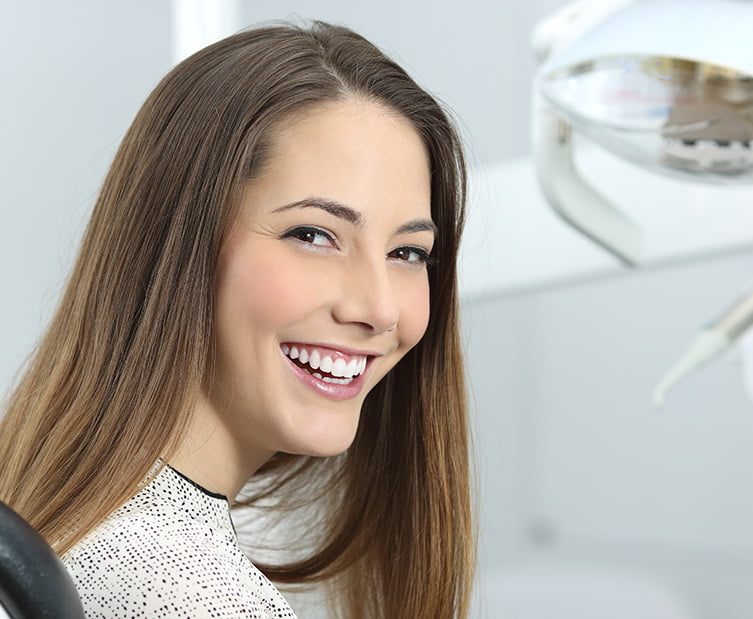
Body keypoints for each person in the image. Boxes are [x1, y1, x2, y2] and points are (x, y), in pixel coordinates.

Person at [0, 20, 474, 618]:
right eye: (313, 234)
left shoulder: (64, 526)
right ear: (178, 243)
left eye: (408, 253)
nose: (379, 309)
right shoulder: (189, 591)